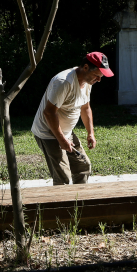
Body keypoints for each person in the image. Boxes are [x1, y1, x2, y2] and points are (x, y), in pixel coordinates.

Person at [32, 52, 114, 185]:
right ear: (85, 67)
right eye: (97, 75)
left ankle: (79, 202)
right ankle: (63, 204)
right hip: (48, 133)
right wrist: (61, 139)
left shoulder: (88, 82)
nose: (99, 80)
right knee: (63, 176)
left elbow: (85, 108)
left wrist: (90, 133)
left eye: (101, 77)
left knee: (83, 167)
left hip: (66, 133)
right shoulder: (64, 82)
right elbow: (49, 113)